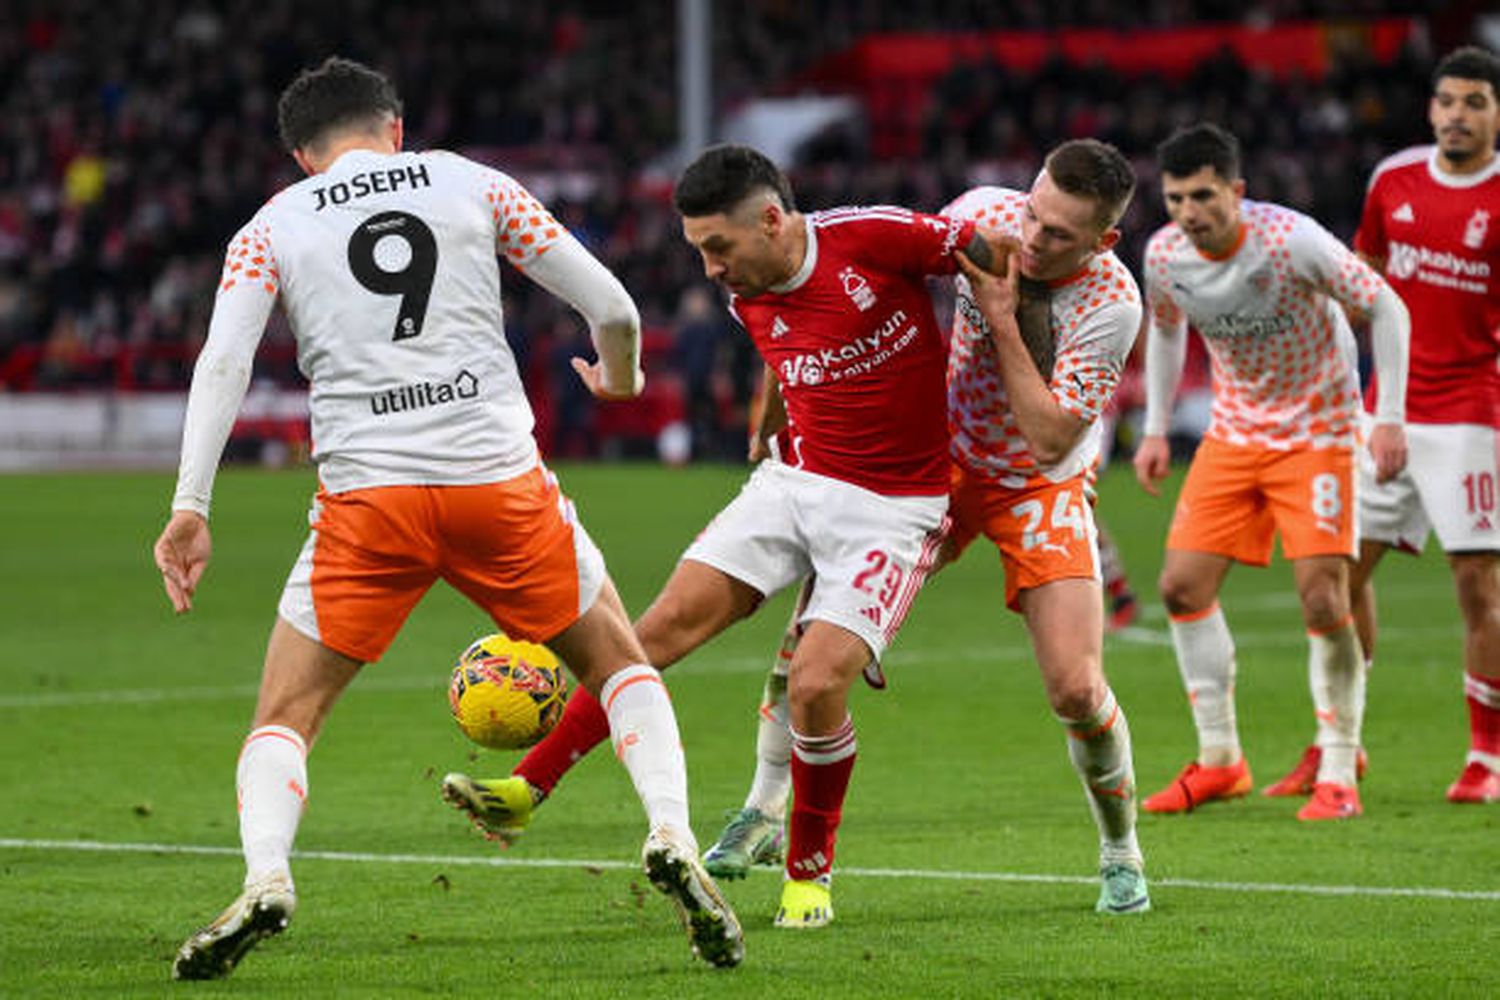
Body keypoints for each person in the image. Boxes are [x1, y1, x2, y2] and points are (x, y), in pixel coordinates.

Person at [151, 57, 742, 979]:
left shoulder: (272, 226)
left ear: (305, 156)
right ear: (394, 127)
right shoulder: (471, 183)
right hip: (497, 484)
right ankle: (670, 832)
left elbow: (221, 363)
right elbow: (614, 308)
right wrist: (621, 380)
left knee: (287, 715)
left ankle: (267, 877)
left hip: (368, 503)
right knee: (622, 662)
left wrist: (191, 507)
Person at [441, 143, 1009, 928]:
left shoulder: (875, 238)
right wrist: (766, 418)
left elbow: (981, 253)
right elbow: (785, 350)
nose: (709, 269)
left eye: (718, 247)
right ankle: (527, 789)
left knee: (814, 685)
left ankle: (810, 872)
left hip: (896, 506)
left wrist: (1025, 346)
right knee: (650, 634)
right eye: (698, 250)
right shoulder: (749, 290)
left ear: (773, 221)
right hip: (792, 482)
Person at [697, 139, 1154, 915]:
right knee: (814, 636)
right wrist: (780, 389)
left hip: (1034, 484)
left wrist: (1004, 318)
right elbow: (838, 284)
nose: (1033, 239)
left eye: (1059, 235)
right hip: (927, 464)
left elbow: (1049, 437)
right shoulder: (979, 214)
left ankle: (1121, 851)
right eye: (1034, 214)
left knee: (1077, 687)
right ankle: (764, 809)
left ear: (1104, 242)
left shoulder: (1112, 304)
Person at [1132, 123, 1411, 821]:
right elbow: (1166, 330)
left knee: (1323, 598)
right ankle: (1222, 760)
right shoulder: (1165, 255)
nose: (1189, 212)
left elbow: (1385, 304)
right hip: (1234, 435)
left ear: (1238, 192)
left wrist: (1389, 417)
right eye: (1175, 199)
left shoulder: (1293, 241)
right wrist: (1158, 429)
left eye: (1203, 196)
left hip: (1319, 431)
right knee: (1180, 586)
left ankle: (1339, 767)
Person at [1345, 46, 1500, 804]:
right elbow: (1361, 275)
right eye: (1447, 101)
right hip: (1385, 410)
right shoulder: (1393, 179)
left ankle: (1487, 756)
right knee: (1338, 575)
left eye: (1474, 102)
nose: (1457, 116)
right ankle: (1342, 742)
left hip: (1473, 410)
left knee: (1476, 584)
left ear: (1496, 113)